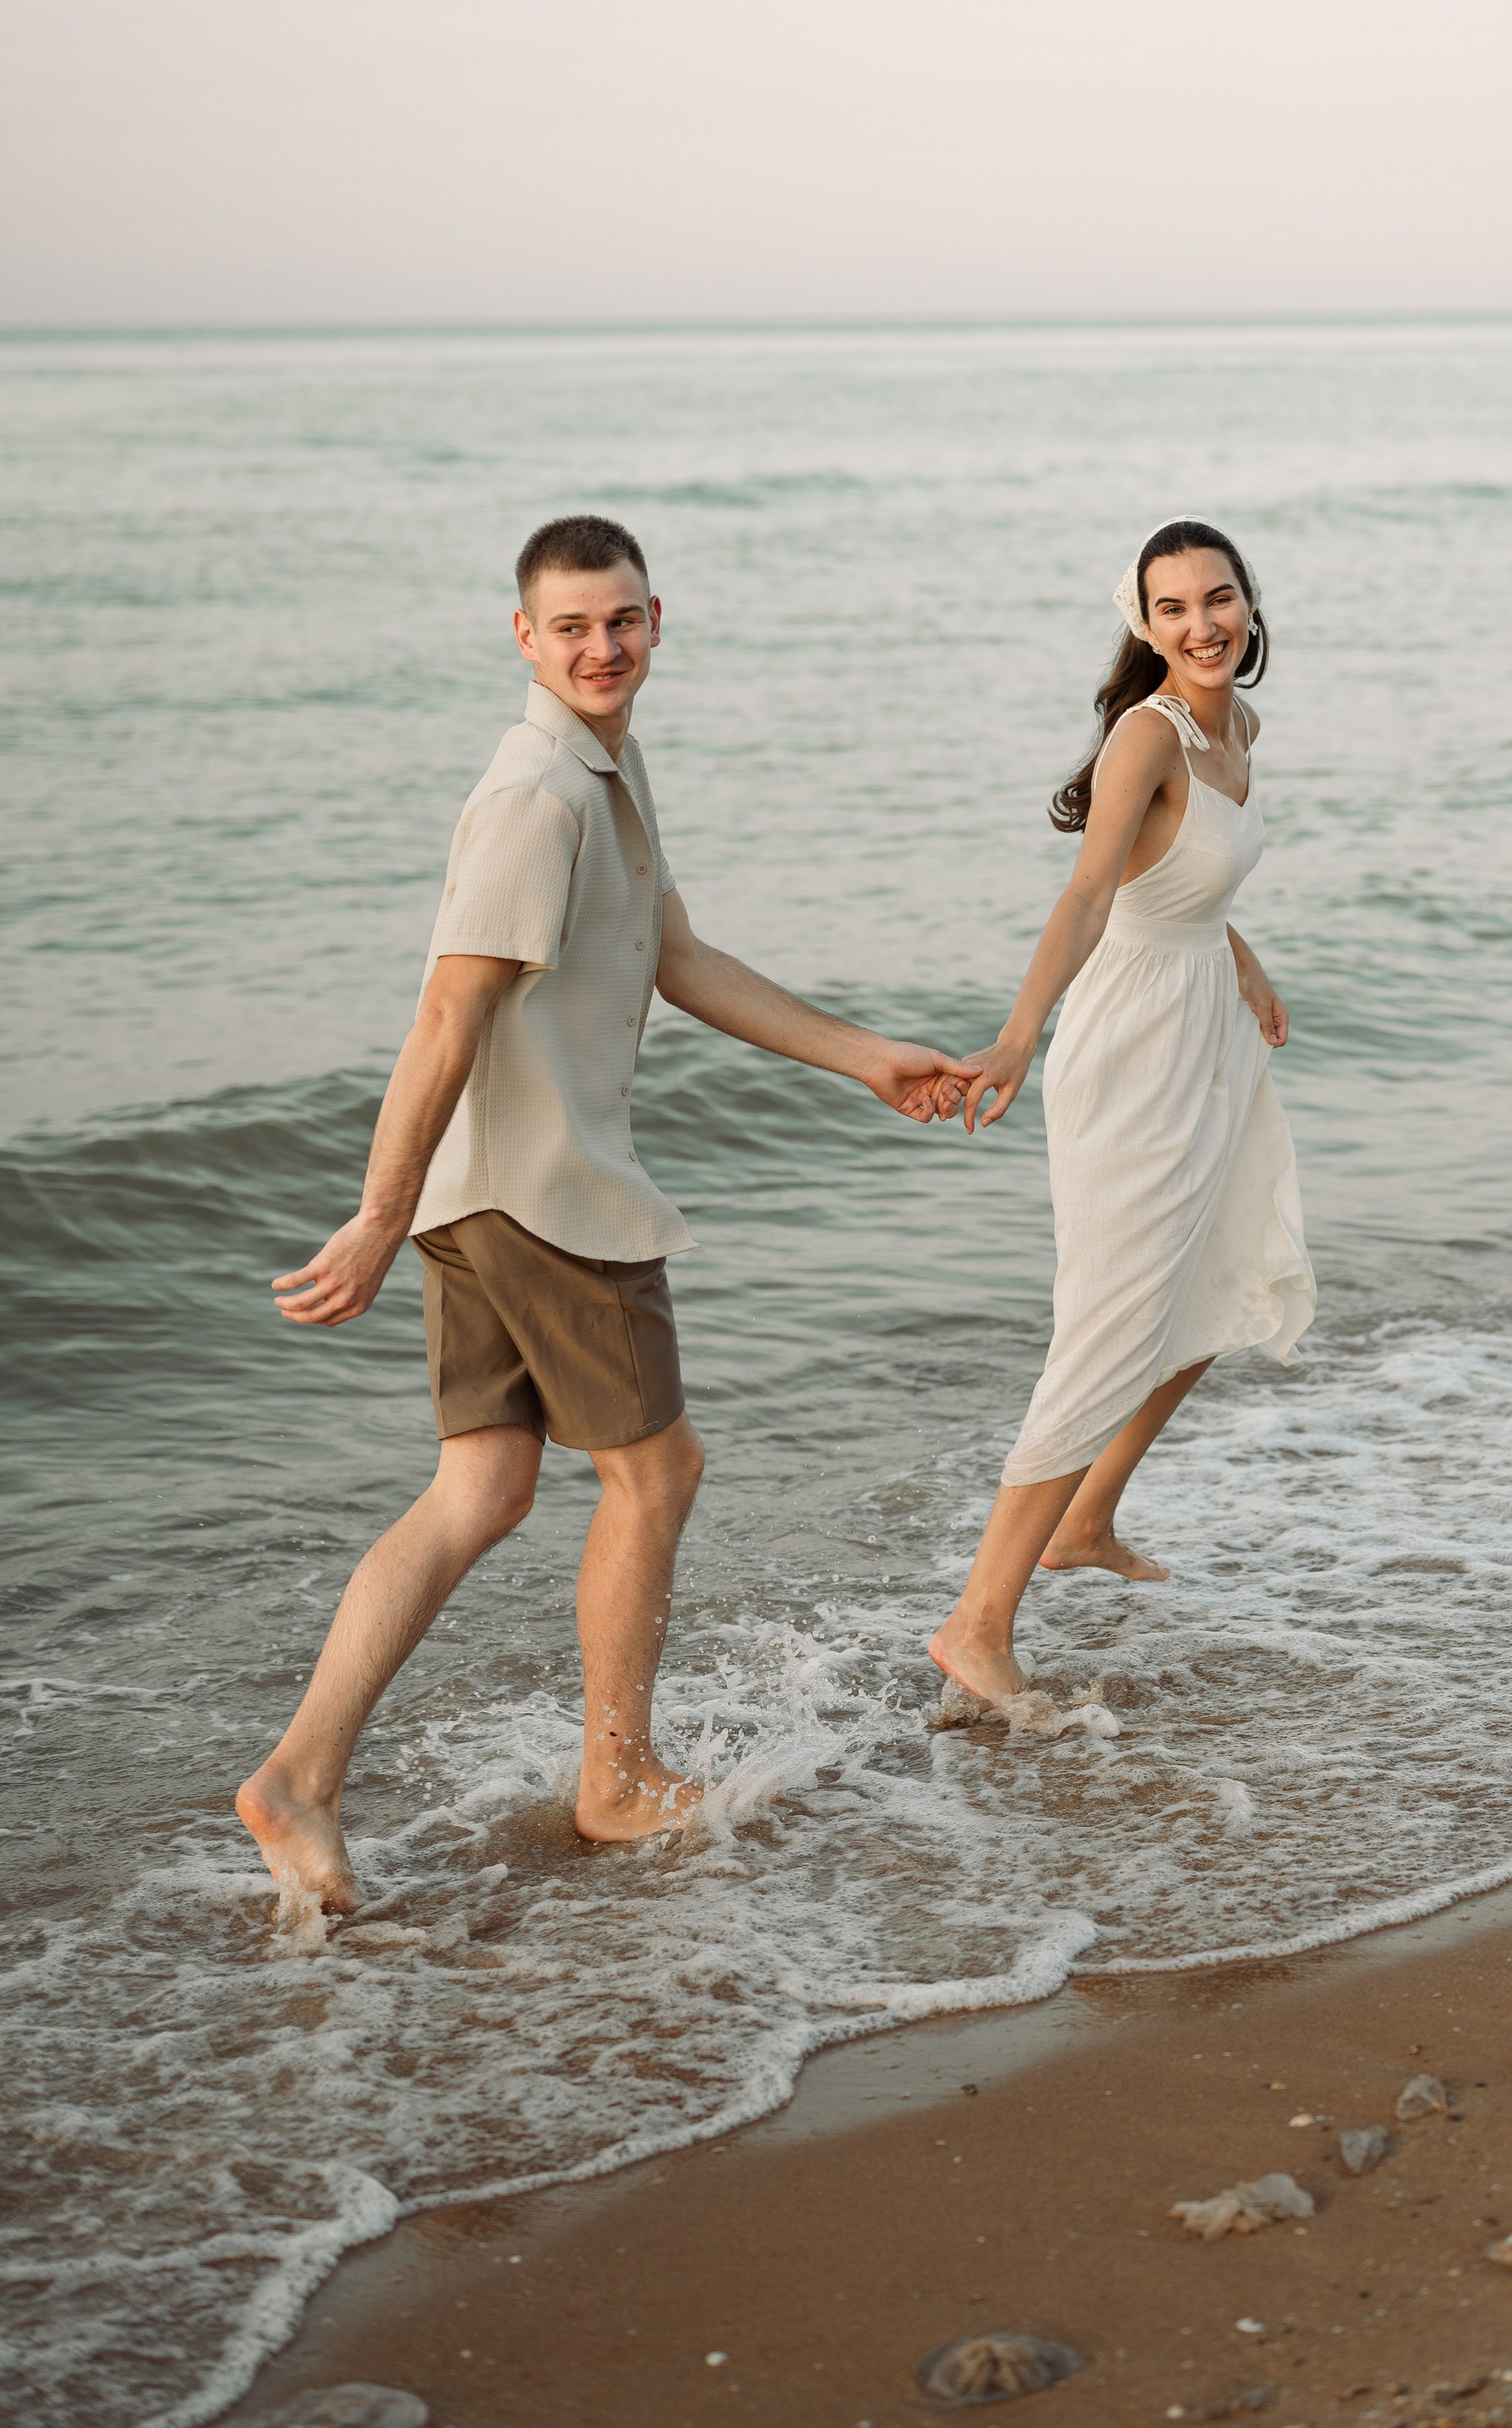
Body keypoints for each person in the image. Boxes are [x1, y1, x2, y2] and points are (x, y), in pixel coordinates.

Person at [237, 514, 960, 1919]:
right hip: (543, 1196)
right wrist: (376, 1218)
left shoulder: (603, 768)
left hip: (492, 1189)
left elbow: (677, 956)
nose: (601, 646)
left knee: (484, 1489)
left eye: (621, 620)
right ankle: (616, 1780)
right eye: (570, 626)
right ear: (524, 636)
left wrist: (864, 1053)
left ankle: (299, 1780)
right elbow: (449, 1010)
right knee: (658, 1473)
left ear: (656, 620)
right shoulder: (540, 796)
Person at [927, 518, 1315, 1710]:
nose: (1202, 624)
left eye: (1219, 598)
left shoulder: (1235, 724)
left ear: (1249, 602)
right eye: (1173, 608)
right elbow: (1092, 891)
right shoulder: (1147, 736)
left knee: (1214, 1282)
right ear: (1143, 625)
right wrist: (1014, 1035)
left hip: (1205, 1025)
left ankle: (1083, 1521)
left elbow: (1182, 874)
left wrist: (1242, 959)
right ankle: (976, 1626)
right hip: (1131, 1045)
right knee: (1111, 1321)